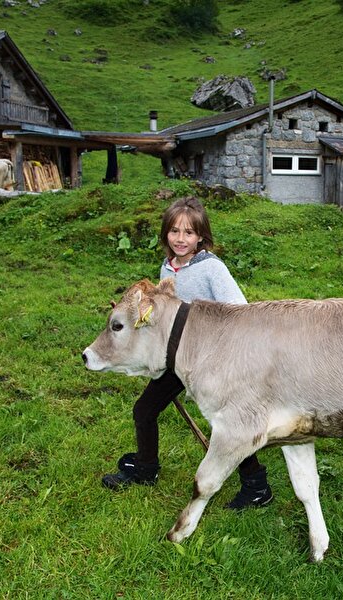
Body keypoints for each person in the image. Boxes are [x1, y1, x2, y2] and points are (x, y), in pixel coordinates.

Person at [102, 196, 274, 510]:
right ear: (166, 233)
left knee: (226, 424)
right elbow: (163, 314)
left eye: (189, 233)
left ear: (200, 236)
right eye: (175, 232)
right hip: (175, 359)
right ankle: (145, 469)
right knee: (145, 410)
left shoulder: (211, 269)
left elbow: (241, 312)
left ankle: (257, 487)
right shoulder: (167, 268)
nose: (181, 239)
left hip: (213, 361)